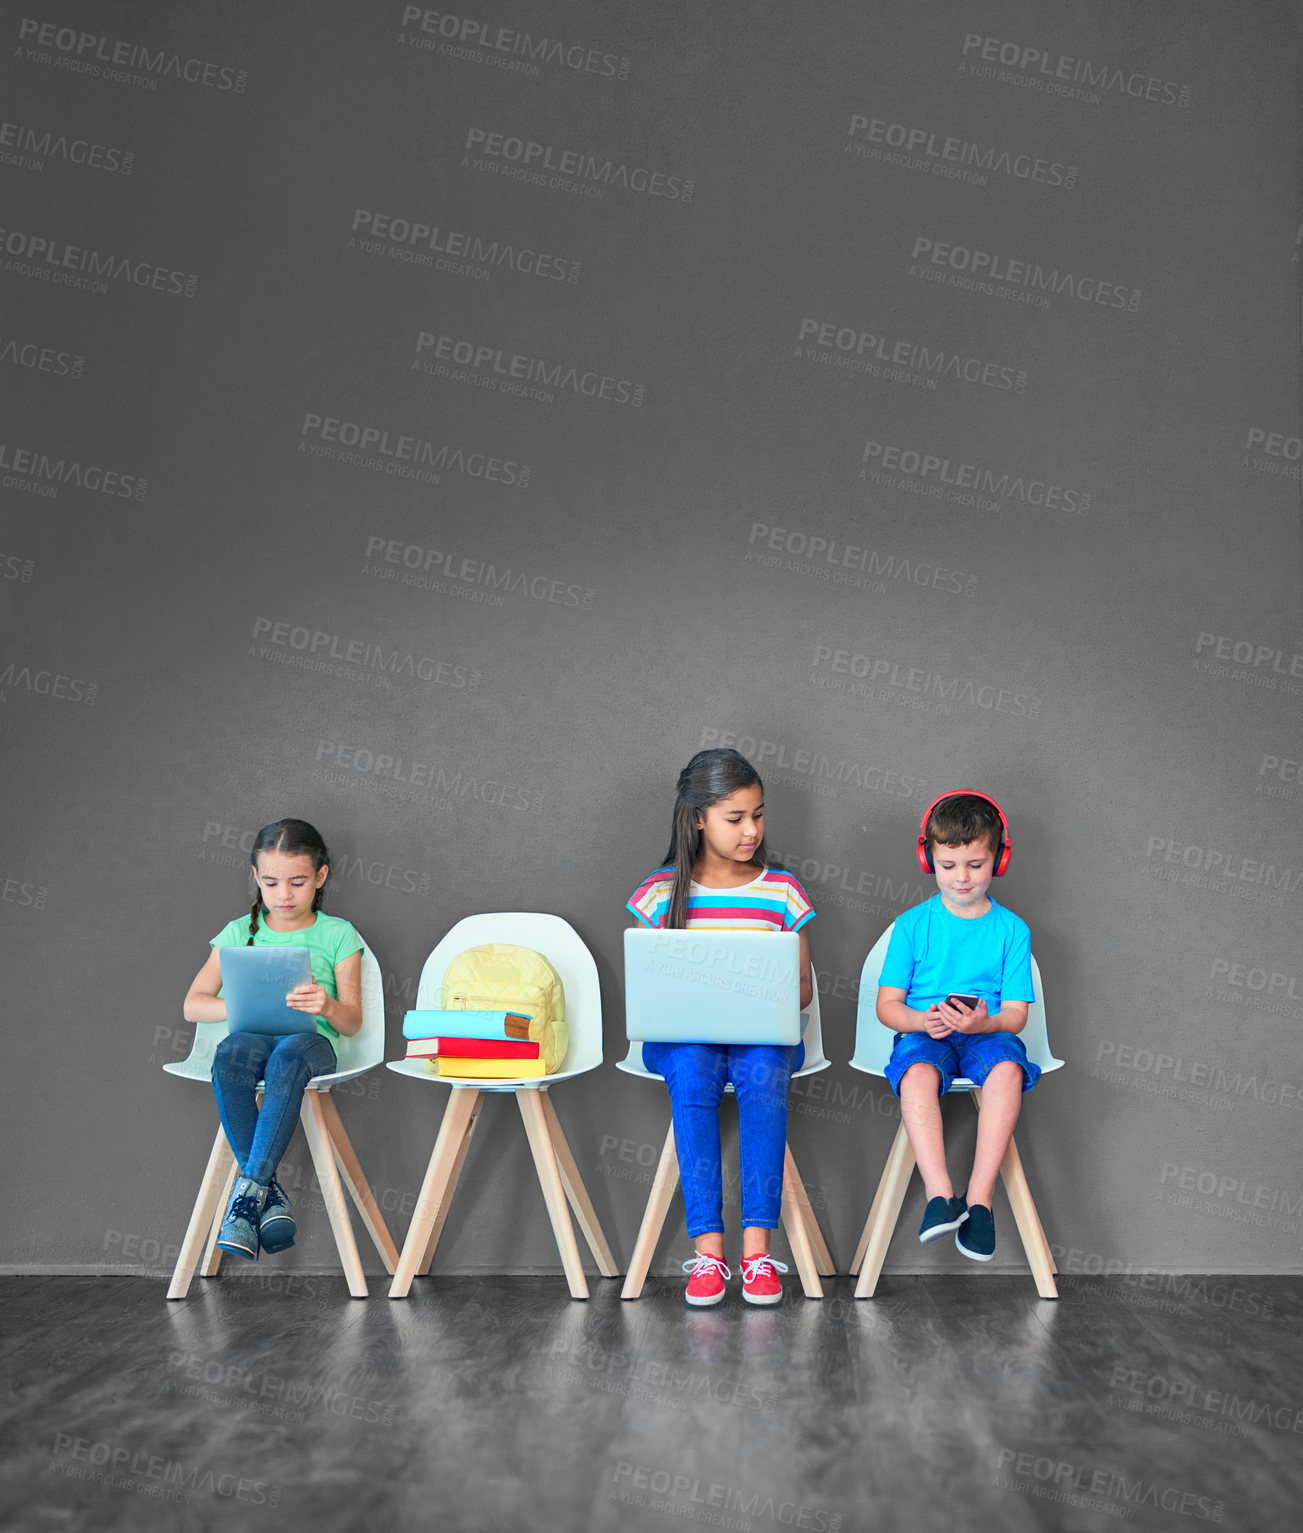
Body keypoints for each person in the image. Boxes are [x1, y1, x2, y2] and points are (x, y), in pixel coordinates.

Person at [628, 748, 815, 1306]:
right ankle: (709, 1253)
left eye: (757, 815)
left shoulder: (781, 891)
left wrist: (763, 990)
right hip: (684, 1041)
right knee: (691, 1069)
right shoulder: (661, 893)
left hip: (763, 1038)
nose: (751, 830)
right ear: (698, 819)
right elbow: (648, 988)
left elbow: (803, 989)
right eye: (735, 819)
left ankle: (756, 1254)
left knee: (761, 1073)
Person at [183, 819, 364, 1260]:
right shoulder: (235, 933)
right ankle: (266, 1195)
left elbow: (353, 1022)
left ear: (320, 877)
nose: (284, 895)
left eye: (298, 882)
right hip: (250, 1037)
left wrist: (325, 1005)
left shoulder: (339, 934)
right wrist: (241, 1003)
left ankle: (247, 1194)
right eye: (271, 882)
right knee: (229, 1056)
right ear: (256, 878)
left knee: (287, 1060)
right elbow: (193, 1005)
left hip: (309, 1043)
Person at [876, 791, 1038, 1261]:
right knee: (917, 1073)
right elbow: (888, 1007)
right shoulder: (911, 926)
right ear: (929, 859)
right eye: (948, 865)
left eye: (975, 864)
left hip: (987, 1033)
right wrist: (919, 1020)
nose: (962, 877)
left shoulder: (1012, 930)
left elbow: (1017, 1016)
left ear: (998, 861)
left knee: (1008, 1069)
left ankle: (980, 1201)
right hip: (927, 1034)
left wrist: (985, 1021)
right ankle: (940, 1196)